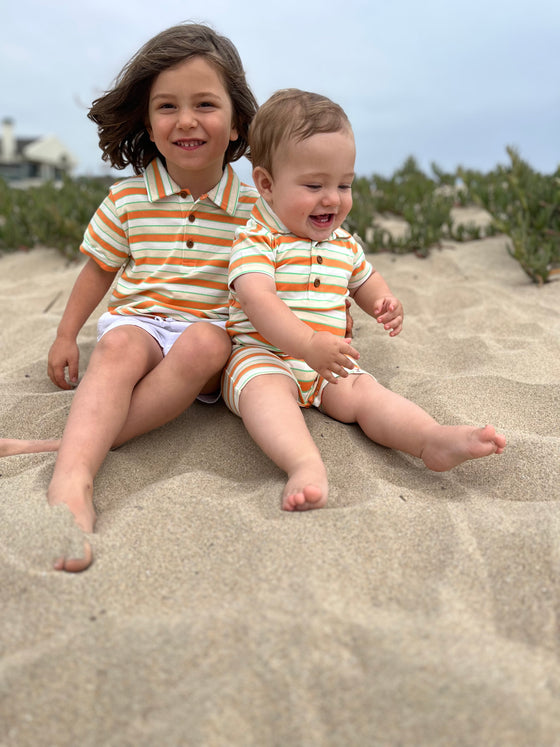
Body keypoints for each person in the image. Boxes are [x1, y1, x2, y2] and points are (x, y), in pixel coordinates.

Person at [0, 23, 261, 571]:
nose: (185, 120)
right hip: (140, 321)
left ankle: (65, 447)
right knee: (117, 350)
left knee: (210, 345)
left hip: (204, 337)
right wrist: (66, 333)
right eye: (167, 106)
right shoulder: (128, 198)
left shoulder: (253, 207)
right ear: (147, 119)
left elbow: (279, 276)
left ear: (237, 119)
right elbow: (98, 271)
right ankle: (72, 481)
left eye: (205, 104)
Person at [221, 88, 507, 511]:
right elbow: (257, 299)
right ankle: (304, 464)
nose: (332, 198)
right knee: (266, 395)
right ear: (266, 184)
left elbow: (365, 279)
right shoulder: (257, 239)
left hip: (329, 361)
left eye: (344, 184)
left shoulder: (343, 244)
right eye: (314, 185)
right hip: (264, 354)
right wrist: (306, 344)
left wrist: (383, 301)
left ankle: (429, 438)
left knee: (366, 394)